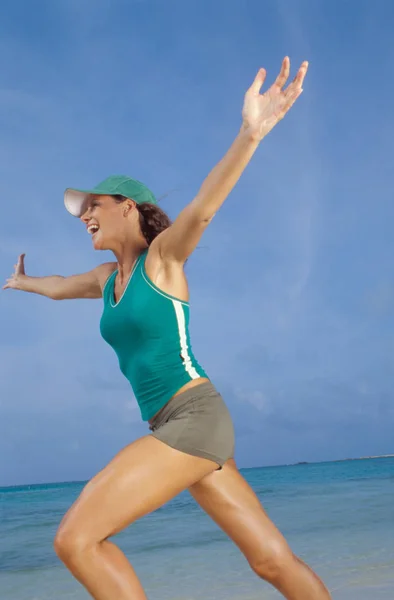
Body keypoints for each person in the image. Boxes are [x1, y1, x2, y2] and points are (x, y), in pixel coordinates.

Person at [3, 57, 331, 600]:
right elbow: (63, 285)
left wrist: (250, 134)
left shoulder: (162, 260)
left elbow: (201, 212)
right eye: (81, 210)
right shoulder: (108, 279)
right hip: (179, 426)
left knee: (77, 540)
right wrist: (23, 282)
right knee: (271, 561)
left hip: (194, 416)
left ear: (127, 208)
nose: (84, 214)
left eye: (94, 205)